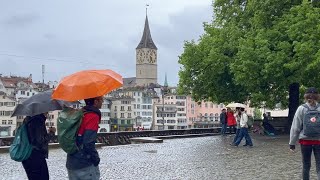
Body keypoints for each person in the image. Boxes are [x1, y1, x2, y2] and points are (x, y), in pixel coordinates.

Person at [66, 96, 103, 180]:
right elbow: (88, 142)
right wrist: (95, 159)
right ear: (96, 102)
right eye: (101, 100)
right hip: (84, 163)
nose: (102, 102)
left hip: (71, 160)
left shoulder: (80, 113)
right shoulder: (92, 116)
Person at [289, 87, 320, 180]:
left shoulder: (301, 108)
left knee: (306, 165)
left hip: (305, 141)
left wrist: (292, 143)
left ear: (306, 96)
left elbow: (295, 127)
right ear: (318, 96)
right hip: (319, 141)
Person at [22, 113, 50, 180]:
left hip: (27, 155)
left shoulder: (28, 119)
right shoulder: (38, 120)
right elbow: (39, 141)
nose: (48, 112)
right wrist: (51, 133)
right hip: (36, 156)